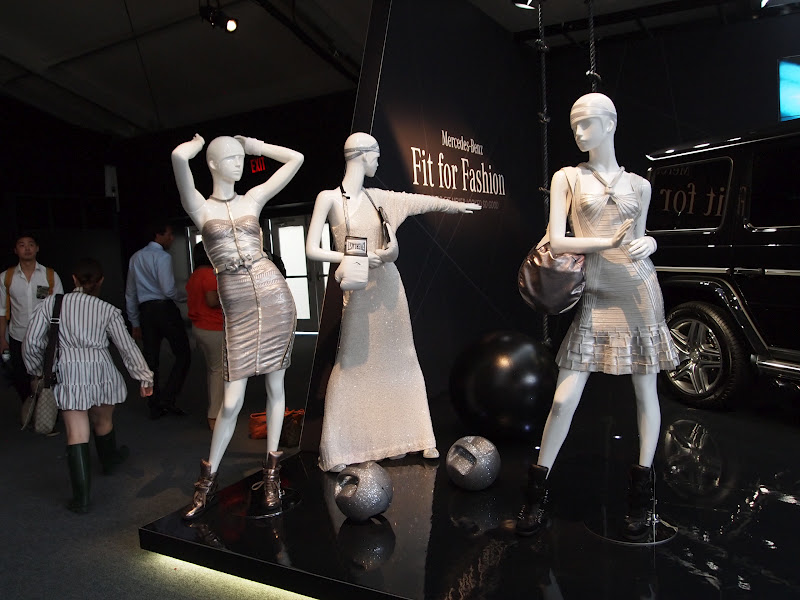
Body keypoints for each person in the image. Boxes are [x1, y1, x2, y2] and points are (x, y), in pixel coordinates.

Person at [515, 93, 679, 540]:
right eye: (573, 125)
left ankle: (642, 498)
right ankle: (535, 494)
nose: (578, 132)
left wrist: (652, 244)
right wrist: (606, 244)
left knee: (645, 395)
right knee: (563, 399)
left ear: (611, 123)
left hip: (639, 292)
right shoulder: (568, 177)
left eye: (586, 123)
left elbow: (640, 238)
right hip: (596, 294)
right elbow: (557, 240)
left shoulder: (640, 186)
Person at [305, 132, 481, 473]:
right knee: (353, 361)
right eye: (375, 155)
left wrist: (455, 205)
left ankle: (410, 437)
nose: (378, 162)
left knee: (400, 357)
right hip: (360, 288)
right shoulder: (329, 198)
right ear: (361, 155)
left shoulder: (380, 199)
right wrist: (352, 256)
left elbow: (421, 202)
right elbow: (313, 249)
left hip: (388, 287)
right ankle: (345, 445)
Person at [171, 133, 303, 519]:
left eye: (240, 157)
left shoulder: (253, 199)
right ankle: (206, 484)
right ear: (212, 164)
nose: (239, 163)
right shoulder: (198, 206)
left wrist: (256, 146)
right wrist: (193, 147)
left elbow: (295, 157)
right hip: (238, 306)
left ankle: (272, 476)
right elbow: (178, 158)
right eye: (230, 157)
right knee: (231, 401)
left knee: (276, 388)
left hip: (274, 294)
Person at [22, 258, 153, 513]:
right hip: (102, 370)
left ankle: (81, 499)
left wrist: (37, 370)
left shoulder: (52, 303)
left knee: (76, 433)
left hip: (69, 372)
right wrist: (144, 377)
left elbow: (32, 343)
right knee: (103, 421)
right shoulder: (107, 310)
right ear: (101, 281)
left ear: (73, 279)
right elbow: (127, 347)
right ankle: (109, 462)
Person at [125, 222, 190, 419]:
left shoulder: (135, 257)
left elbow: (130, 293)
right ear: (158, 235)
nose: (171, 238)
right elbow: (168, 290)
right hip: (164, 310)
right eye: (169, 234)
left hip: (146, 312)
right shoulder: (163, 257)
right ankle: (168, 398)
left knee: (151, 359)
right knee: (183, 354)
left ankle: (154, 403)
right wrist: (186, 297)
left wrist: (135, 322)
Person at [0, 233, 64, 404]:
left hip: (45, 336)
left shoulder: (50, 276)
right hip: (17, 336)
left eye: (30, 244)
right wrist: (2, 339)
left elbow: (60, 309)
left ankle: (46, 410)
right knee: (20, 377)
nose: (27, 248)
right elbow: (2, 311)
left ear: (37, 248)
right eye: (22, 245)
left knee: (48, 376)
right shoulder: (6, 277)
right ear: (15, 250)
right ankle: (28, 408)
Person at [186, 241, 224, 431]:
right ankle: (215, 416)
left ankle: (217, 412)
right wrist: (229, 294)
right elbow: (211, 300)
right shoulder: (209, 274)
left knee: (213, 370)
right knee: (219, 372)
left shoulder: (195, 274)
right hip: (213, 328)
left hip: (199, 328)